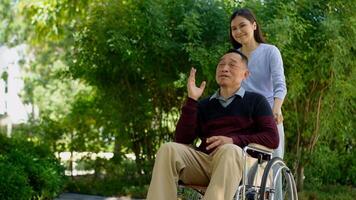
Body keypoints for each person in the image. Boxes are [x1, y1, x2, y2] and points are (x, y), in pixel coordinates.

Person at [146, 49, 279, 200]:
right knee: (168, 149)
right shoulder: (205, 105)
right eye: (221, 64)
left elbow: (272, 138)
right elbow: (182, 139)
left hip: (243, 164)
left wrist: (233, 140)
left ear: (245, 75)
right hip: (205, 162)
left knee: (229, 150)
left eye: (232, 65)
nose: (224, 68)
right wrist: (192, 100)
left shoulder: (256, 101)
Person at [229, 8, 287, 199]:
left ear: (254, 25)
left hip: (268, 117)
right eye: (234, 28)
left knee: (272, 173)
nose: (238, 31)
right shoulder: (234, 57)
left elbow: (280, 86)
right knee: (244, 177)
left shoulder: (270, 51)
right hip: (243, 121)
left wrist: (275, 110)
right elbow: (230, 89)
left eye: (242, 25)